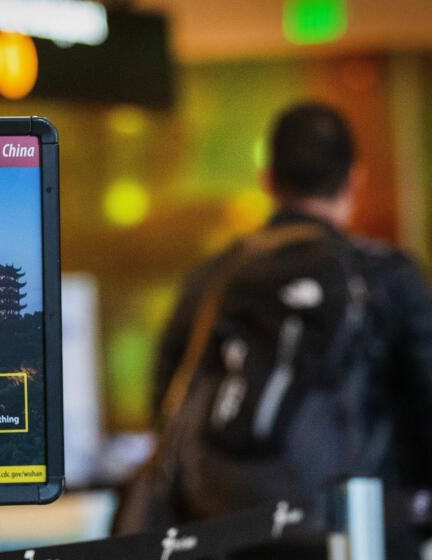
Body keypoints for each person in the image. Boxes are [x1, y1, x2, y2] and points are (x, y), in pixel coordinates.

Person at [114, 102, 432, 558]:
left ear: (267, 180)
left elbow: (167, 398)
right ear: (354, 180)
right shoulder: (388, 277)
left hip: (227, 532)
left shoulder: (216, 277)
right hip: (355, 532)